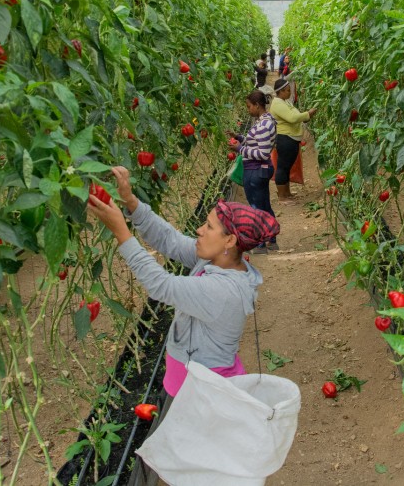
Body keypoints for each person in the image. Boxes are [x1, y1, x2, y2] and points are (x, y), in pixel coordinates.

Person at [87, 167, 280, 486]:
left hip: (204, 388)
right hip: (190, 375)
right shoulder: (218, 261)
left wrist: (122, 234)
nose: (200, 231)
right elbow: (170, 240)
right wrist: (132, 204)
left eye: (209, 226)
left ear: (229, 240)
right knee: (197, 455)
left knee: (199, 463)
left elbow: (161, 285)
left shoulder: (222, 291)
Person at [227, 90, 278, 253]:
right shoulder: (266, 120)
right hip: (260, 170)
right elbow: (256, 142)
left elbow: (262, 153)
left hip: (255, 170)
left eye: (249, 106)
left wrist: (240, 149)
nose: (248, 110)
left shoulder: (263, 125)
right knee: (264, 205)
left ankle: (260, 244)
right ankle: (271, 239)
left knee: (256, 206)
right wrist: (239, 137)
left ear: (257, 105)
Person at [270, 78, 316, 204]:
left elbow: (296, 115)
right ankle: (282, 196)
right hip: (285, 137)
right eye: (288, 91)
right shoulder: (278, 103)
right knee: (283, 166)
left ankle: (287, 193)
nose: (290, 93)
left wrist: (305, 117)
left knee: (287, 166)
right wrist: (308, 114)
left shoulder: (285, 102)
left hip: (291, 137)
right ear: (281, 92)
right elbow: (293, 117)